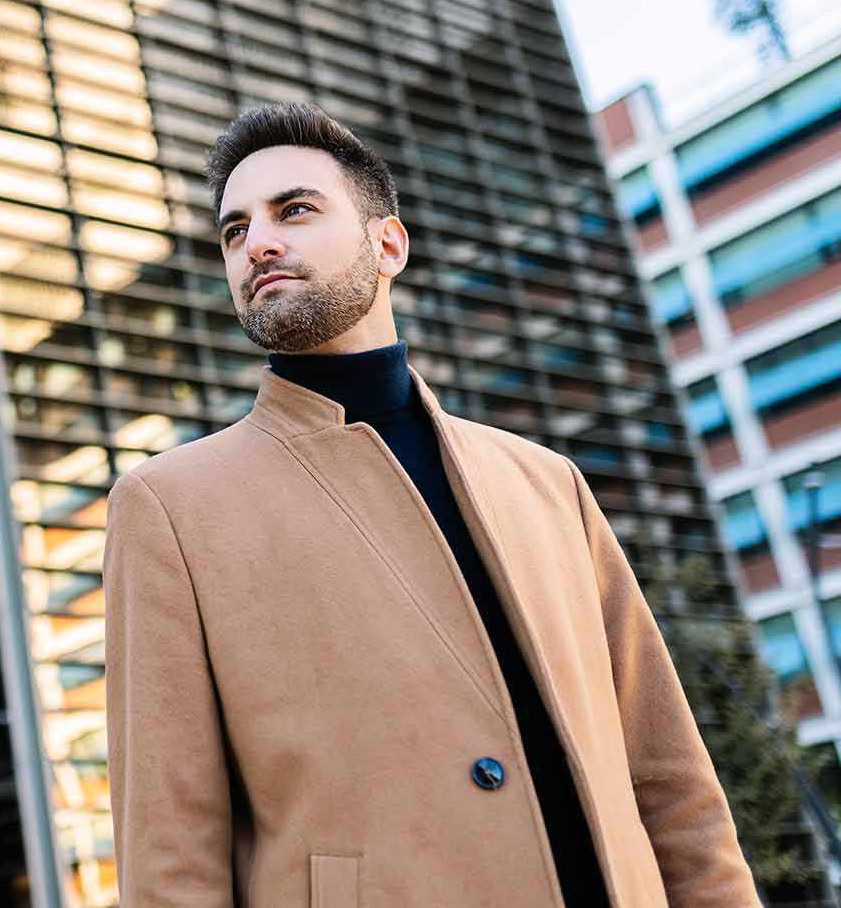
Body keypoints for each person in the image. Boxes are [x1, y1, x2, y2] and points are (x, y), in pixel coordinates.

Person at [102, 102, 757, 906]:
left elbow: (671, 782)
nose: (259, 244)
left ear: (390, 244)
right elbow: (170, 847)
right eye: (234, 231)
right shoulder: (169, 508)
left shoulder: (546, 482)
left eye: (294, 210)